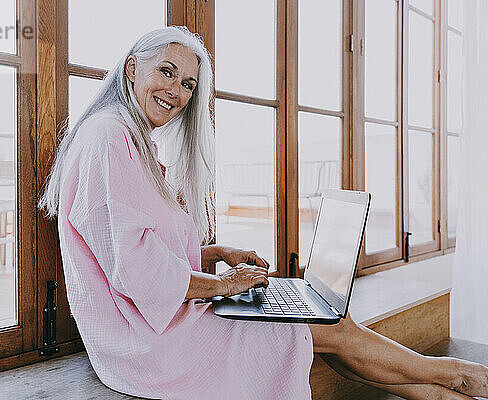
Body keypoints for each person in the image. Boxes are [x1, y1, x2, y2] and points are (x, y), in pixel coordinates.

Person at [40, 26, 488, 399]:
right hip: (148, 344)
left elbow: (141, 247)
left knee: (326, 325)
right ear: (133, 68)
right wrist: (222, 285)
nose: (176, 92)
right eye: (167, 72)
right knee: (321, 328)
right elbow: (135, 268)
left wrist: (215, 253)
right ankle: (455, 374)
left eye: (188, 85)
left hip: (155, 325)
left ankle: (441, 391)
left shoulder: (132, 140)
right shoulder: (108, 138)